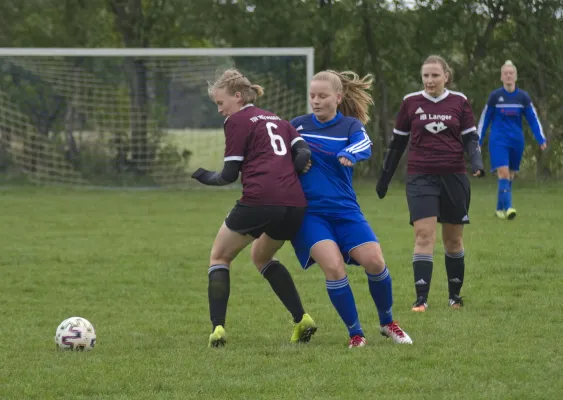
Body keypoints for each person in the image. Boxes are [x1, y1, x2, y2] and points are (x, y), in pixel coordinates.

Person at [191, 69, 317, 347]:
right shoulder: (277, 119)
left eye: (220, 102)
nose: (220, 109)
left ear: (237, 96)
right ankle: (301, 318)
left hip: (260, 200)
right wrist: (286, 176)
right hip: (294, 204)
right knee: (261, 257)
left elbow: (227, 175)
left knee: (219, 257)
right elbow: (304, 153)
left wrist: (202, 175)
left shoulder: (237, 121)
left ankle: (218, 329)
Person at [290, 70, 412, 348]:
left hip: (345, 210)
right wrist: (296, 160)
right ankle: (356, 333)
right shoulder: (297, 126)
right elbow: (279, 153)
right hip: (310, 214)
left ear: (338, 97)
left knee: (375, 261)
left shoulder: (349, 127)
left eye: (322, 96)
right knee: (333, 267)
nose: (316, 101)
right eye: (312, 96)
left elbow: (365, 144)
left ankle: (387, 322)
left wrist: (349, 153)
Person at [376, 55, 485, 312]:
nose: (429, 80)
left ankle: (454, 297)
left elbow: (470, 138)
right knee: (424, 235)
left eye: (435, 75)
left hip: (454, 176)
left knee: (453, 241)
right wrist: (384, 178)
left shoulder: (459, 101)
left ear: (446, 76)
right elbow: (397, 144)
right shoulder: (410, 103)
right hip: (420, 176)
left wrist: (477, 162)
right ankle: (421, 299)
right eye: (425, 75)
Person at [477, 60, 547, 220]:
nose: (508, 76)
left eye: (511, 73)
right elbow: (485, 119)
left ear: (515, 76)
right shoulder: (495, 96)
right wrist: (478, 140)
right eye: (505, 73)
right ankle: (508, 208)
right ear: (501, 77)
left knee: (510, 175)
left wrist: (540, 138)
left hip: (516, 141)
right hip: (498, 140)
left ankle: (498, 209)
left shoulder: (523, 97)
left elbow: (532, 118)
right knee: (503, 173)